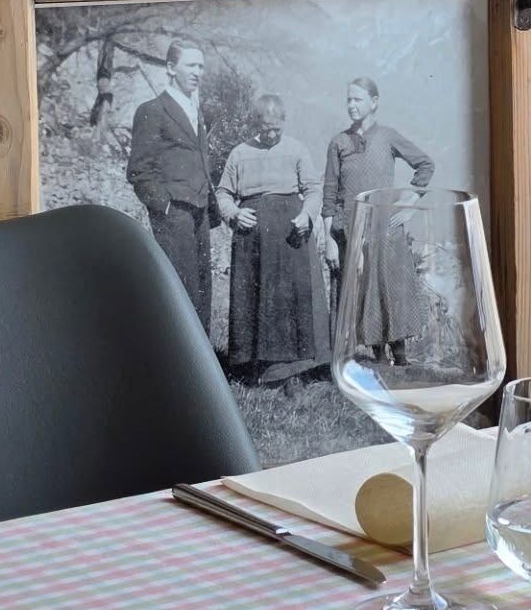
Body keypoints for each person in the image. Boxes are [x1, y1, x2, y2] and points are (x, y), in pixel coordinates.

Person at [216, 95, 330, 392]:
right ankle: (257, 367)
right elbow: (223, 194)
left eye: (276, 129)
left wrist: (307, 215)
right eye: (266, 128)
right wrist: (234, 214)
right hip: (252, 239)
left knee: (290, 301)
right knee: (257, 302)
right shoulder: (239, 153)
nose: (271, 134)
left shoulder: (296, 150)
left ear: (283, 123)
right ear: (256, 123)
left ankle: (294, 370)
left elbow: (313, 189)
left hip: (290, 236)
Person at [322, 77, 435, 363]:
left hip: (385, 227)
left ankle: (400, 356)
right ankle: (377, 355)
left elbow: (425, 164)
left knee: (390, 286)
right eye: (348, 99)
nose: (351, 105)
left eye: (358, 99)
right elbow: (329, 194)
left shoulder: (387, 136)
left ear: (374, 102)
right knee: (364, 291)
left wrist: (409, 203)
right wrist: (329, 239)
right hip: (352, 230)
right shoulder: (339, 142)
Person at [127, 40, 214, 333]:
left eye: (201, 66)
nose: (198, 72)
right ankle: (177, 368)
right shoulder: (153, 109)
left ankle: (202, 367)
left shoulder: (195, 111)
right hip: (173, 212)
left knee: (202, 289)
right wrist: (164, 206)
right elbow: (139, 170)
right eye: (191, 65)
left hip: (199, 212)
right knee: (180, 289)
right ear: (170, 68)